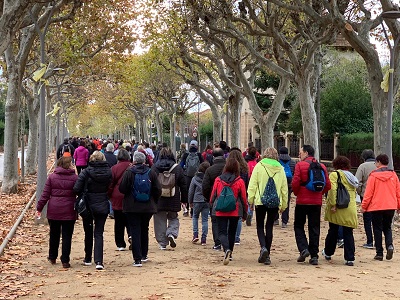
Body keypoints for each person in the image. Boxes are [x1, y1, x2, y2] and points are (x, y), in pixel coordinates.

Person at [119, 152, 161, 266]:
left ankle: (137, 259)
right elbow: (158, 189)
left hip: (132, 206)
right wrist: (154, 200)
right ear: (144, 161)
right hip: (147, 206)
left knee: (135, 230)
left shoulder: (129, 172)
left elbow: (122, 188)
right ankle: (144, 255)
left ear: (134, 161)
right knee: (144, 229)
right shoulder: (151, 172)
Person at [247, 147, 288, 265]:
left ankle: (263, 247)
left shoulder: (259, 166)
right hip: (274, 202)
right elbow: (284, 189)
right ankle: (267, 254)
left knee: (260, 226)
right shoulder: (280, 168)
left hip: (260, 201)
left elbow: (252, 184)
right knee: (269, 226)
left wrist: (251, 200)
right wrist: (283, 205)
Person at [292, 145, 331, 265]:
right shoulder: (322, 166)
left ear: (306, 153)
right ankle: (314, 255)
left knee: (298, 225)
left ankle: (303, 248)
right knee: (314, 227)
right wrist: (319, 193)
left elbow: (295, 182)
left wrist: (297, 193)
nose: (299, 155)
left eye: (301, 152)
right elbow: (328, 185)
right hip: (316, 202)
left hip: (302, 201)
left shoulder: (300, 165)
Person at [36, 156, 78, 268]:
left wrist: (39, 208)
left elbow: (45, 194)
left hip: (54, 210)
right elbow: (78, 191)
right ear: (68, 165)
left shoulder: (52, 177)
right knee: (67, 236)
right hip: (69, 209)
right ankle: (65, 260)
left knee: (54, 234)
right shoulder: (74, 178)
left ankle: (52, 256)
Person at [73, 151, 112, 270]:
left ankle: (88, 257)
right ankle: (99, 261)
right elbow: (110, 186)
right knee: (99, 233)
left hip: (88, 204)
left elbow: (76, 188)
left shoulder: (86, 172)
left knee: (88, 231)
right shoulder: (109, 172)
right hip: (103, 203)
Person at [361, 154, 400, 261]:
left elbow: (368, 193)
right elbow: (398, 192)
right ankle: (390, 245)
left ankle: (379, 253)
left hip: (376, 206)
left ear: (378, 162)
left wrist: (364, 206)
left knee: (377, 229)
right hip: (390, 205)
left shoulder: (373, 176)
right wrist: (398, 205)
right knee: (387, 227)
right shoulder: (393, 175)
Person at [210, 156, 248, 265]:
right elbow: (244, 198)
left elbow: (213, 195)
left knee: (222, 232)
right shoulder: (239, 181)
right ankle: (230, 252)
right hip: (234, 210)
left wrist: (212, 205)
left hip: (220, 209)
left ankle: (226, 249)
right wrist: (245, 211)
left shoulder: (218, 179)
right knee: (232, 232)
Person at [321, 156, 359, 266]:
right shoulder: (351, 177)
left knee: (333, 230)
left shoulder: (334, 175)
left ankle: (328, 252)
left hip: (338, 207)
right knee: (348, 233)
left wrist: (333, 204)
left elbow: (332, 190)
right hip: (350, 207)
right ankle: (349, 258)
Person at [152, 147, 187, 250]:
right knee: (173, 217)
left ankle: (162, 242)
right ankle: (171, 233)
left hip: (159, 199)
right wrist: (184, 199)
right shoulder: (177, 168)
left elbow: (152, 183)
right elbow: (183, 185)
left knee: (159, 220)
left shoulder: (154, 168)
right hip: (173, 197)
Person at [108, 149, 132, 251]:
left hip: (117, 196)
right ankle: (131, 235)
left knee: (118, 221)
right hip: (130, 196)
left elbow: (110, 184)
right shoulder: (132, 167)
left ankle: (120, 243)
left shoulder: (114, 168)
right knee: (131, 219)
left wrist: (109, 196)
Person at [202, 148, 226, 250]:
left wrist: (208, 198)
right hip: (228, 198)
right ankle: (226, 241)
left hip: (214, 198)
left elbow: (205, 186)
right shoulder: (228, 168)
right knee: (227, 220)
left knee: (215, 221)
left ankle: (217, 242)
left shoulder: (210, 170)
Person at [227, 149, 249, 245]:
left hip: (230, 192)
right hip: (242, 191)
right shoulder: (244, 168)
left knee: (229, 215)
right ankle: (236, 237)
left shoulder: (228, 167)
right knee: (239, 217)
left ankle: (230, 234)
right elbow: (247, 181)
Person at [355, 149, 376, 249]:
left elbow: (357, 182)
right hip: (378, 196)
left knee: (367, 219)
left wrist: (360, 192)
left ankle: (369, 241)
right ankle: (378, 241)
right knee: (377, 220)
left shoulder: (362, 166)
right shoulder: (378, 165)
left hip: (366, 195)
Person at [188, 161, 210, 246]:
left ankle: (195, 234)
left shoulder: (195, 178)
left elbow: (191, 191)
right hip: (206, 200)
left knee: (195, 217)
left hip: (197, 200)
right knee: (205, 220)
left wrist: (190, 201)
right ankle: (204, 238)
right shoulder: (208, 178)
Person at [180, 140, 204, 217]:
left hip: (187, 176)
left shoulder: (186, 155)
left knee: (187, 192)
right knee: (194, 193)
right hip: (197, 176)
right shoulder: (199, 155)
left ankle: (186, 209)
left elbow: (181, 165)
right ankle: (193, 212)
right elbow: (203, 165)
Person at [275, 146, 296, 228]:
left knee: (276, 201)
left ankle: (275, 219)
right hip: (289, 185)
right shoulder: (293, 162)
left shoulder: (277, 161)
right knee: (286, 202)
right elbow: (294, 173)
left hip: (278, 184)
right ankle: (284, 221)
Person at [244, 146, 259, 226]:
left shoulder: (246, 162)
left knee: (247, 198)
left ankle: (248, 212)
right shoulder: (256, 162)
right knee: (253, 199)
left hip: (248, 181)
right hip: (255, 182)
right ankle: (250, 212)